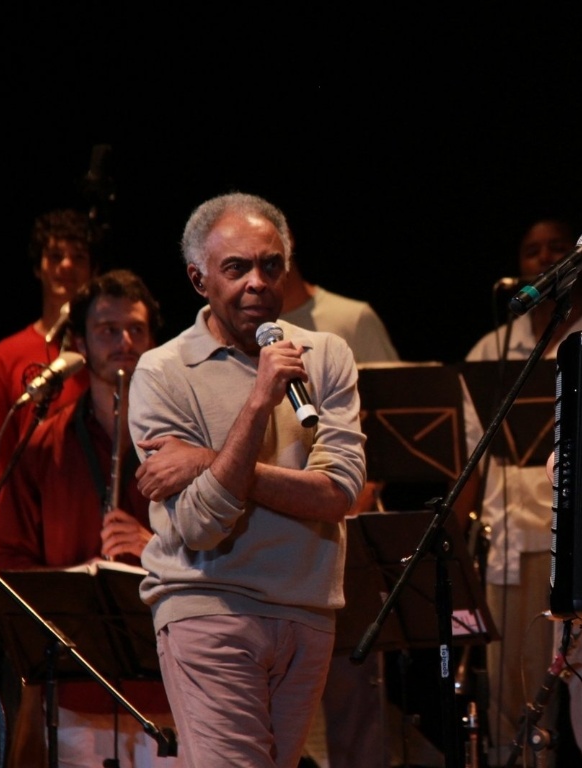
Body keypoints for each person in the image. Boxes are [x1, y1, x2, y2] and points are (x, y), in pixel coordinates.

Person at [127, 192, 366, 768]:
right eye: (236, 268)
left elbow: (338, 493)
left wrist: (206, 460)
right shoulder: (162, 371)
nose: (257, 282)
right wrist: (260, 399)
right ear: (199, 279)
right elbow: (202, 526)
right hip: (209, 608)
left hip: (306, 610)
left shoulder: (326, 355)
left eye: (270, 265)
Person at [0, 268, 179, 767]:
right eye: (107, 331)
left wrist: (152, 544)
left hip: (174, 689)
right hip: (77, 694)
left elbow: (227, 552)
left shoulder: (188, 444)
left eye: (136, 330)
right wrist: (74, 588)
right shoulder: (43, 444)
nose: (124, 342)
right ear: (79, 343)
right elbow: (8, 562)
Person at [461, 217, 582, 764]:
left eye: (559, 248)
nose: (547, 258)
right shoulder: (494, 349)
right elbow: (471, 459)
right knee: (515, 688)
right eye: (534, 251)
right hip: (514, 542)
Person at [280, 247, 399, 768]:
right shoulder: (236, 334)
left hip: (342, 536)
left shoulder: (348, 319)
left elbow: (392, 416)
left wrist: (356, 490)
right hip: (277, 545)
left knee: (354, 711)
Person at [0, 208, 96, 547]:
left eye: (78, 257)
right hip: (23, 524)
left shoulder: (110, 353)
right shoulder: (5, 356)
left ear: (93, 269)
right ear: (38, 266)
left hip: (91, 521)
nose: (66, 266)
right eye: (55, 256)